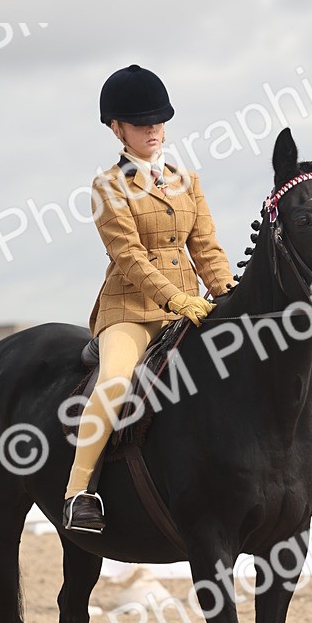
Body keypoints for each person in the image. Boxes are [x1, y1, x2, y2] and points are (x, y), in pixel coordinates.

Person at [63, 64, 236, 534]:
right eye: (141, 124)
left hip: (191, 305)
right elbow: (129, 257)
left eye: (158, 121)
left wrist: (226, 293)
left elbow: (206, 248)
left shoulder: (187, 180)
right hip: (131, 309)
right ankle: (79, 493)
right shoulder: (107, 187)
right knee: (115, 382)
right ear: (117, 129)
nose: (153, 130)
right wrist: (176, 299)